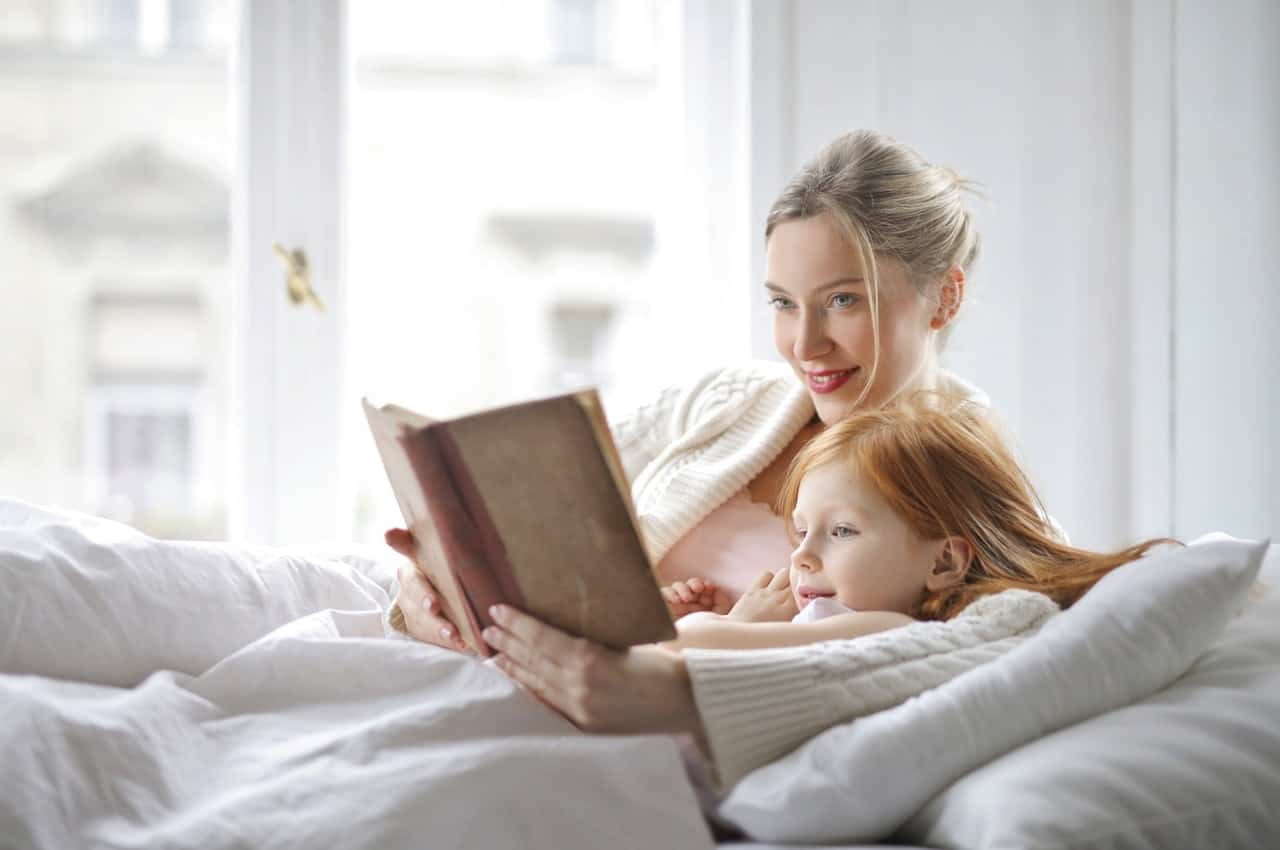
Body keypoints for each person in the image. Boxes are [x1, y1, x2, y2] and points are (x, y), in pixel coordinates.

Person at [384, 128, 1032, 788]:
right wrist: (429, 584)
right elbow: (524, 534)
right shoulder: (728, 399)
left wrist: (675, 691)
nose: (804, 344)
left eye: (843, 300)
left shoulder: (969, 481)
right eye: (783, 303)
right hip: (501, 695)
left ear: (943, 297)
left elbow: (1014, 646)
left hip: (624, 759)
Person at [651, 396, 1173, 655]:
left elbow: (688, 652)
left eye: (842, 532)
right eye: (802, 530)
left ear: (944, 561)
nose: (801, 557)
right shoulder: (835, 621)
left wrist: (736, 624)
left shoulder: (888, 631)